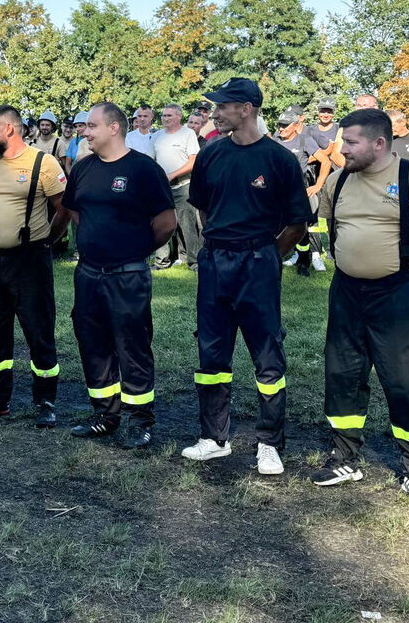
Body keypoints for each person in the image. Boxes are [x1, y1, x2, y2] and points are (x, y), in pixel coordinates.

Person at [311, 109, 409, 504]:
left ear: (379, 143)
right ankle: (344, 456)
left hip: (401, 293)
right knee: (343, 372)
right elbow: (332, 229)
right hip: (348, 292)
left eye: (350, 142)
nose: (342, 149)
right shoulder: (338, 181)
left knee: (405, 378)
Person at [182, 78, 312, 475]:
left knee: (267, 354)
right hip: (215, 262)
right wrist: (216, 247)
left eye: (222, 107)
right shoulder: (210, 154)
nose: (214, 113)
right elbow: (203, 208)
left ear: (247, 109)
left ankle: (270, 443)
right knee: (212, 352)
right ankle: (214, 438)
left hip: (258, 263)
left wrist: (268, 256)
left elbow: (297, 223)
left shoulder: (279, 159)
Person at [53, 103, 175, 448]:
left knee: (132, 346)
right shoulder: (83, 168)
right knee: (93, 345)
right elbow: (75, 212)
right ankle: (105, 415)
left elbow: (166, 224)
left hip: (128, 275)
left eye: (91, 126)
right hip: (89, 274)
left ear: (114, 129)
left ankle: (141, 420)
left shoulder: (143, 170)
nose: (85, 132)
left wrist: (132, 250)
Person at [0, 104, 66, 428]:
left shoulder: (42, 163)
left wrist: (47, 239)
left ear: (9, 129)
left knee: (38, 329)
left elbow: (63, 207)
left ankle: (45, 400)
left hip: (30, 260)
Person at [275, 107, 332, 275]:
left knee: (301, 227)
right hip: (277, 192)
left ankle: (303, 261)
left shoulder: (304, 140)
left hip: (298, 190)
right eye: (279, 125)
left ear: (295, 125)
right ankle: (276, 258)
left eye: (285, 125)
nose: (281, 129)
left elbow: (326, 161)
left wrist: (318, 185)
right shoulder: (274, 141)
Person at [151, 103, 202, 271]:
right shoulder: (157, 136)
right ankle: (161, 261)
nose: (165, 118)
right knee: (160, 224)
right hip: (161, 187)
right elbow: (150, 161)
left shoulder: (187, 134)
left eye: (169, 115)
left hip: (183, 185)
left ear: (179, 116)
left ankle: (194, 261)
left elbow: (193, 161)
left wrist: (172, 175)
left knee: (188, 224)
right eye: (163, 115)